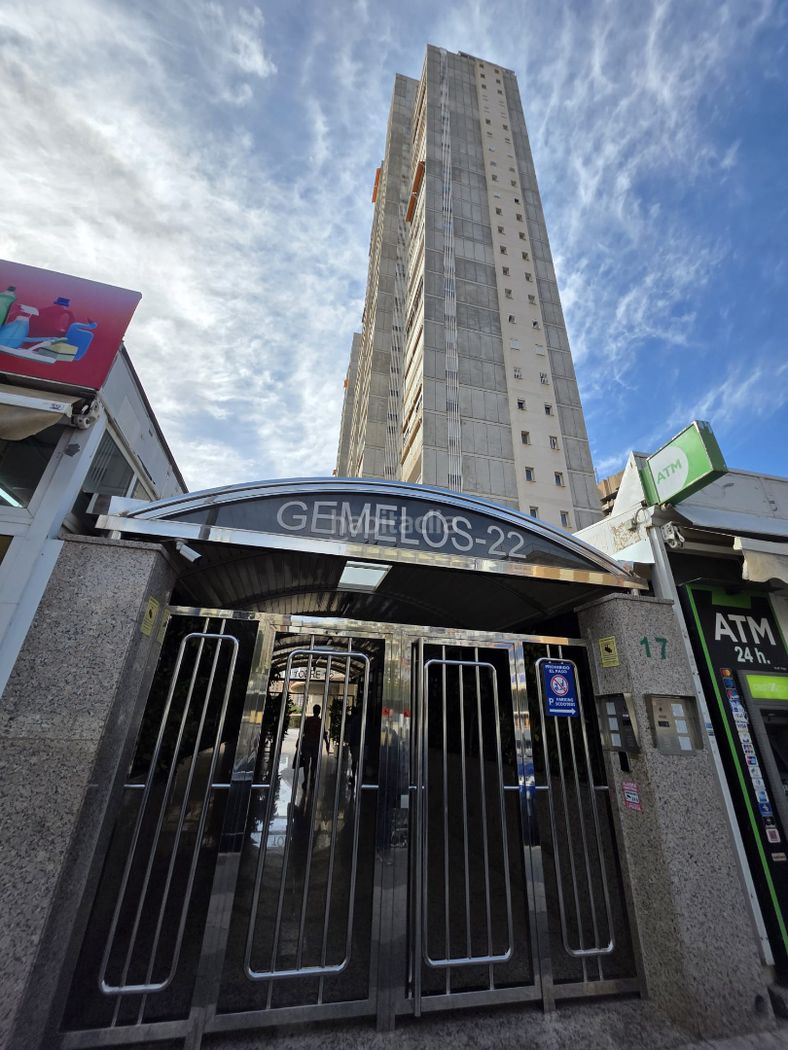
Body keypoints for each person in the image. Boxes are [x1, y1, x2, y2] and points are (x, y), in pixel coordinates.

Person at [300, 704, 329, 793]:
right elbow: (323, 733)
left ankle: (305, 780)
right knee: (314, 762)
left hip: (307, 743)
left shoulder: (308, 720)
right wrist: (327, 743)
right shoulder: (320, 722)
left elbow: (303, 731)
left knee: (306, 763)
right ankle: (312, 778)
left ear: (313, 710)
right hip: (316, 744)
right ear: (319, 711)